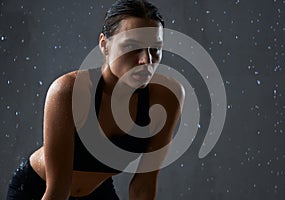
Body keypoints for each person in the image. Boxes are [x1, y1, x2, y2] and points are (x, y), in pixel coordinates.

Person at [6, 0, 184, 199]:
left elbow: (144, 184)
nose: (146, 60)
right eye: (132, 47)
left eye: (155, 49)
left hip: (97, 192)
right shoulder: (69, 91)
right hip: (37, 189)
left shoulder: (166, 97)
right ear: (104, 45)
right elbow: (58, 190)